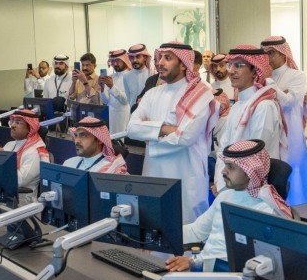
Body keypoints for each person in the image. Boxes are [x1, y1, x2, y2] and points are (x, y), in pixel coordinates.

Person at [166, 139, 292, 273]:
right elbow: (196, 231)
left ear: (250, 172)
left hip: (232, 277)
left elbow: (248, 260)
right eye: (225, 165)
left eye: (231, 167)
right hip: (205, 270)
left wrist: (195, 262)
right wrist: (160, 234)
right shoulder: (225, 196)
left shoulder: (266, 210)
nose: (223, 171)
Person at [127, 42, 213, 222]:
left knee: (186, 231)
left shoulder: (200, 94)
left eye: (168, 58)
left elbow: (185, 137)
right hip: (153, 173)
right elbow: (132, 128)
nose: (160, 63)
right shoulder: (152, 93)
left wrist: (150, 135)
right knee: (154, 227)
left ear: (183, 64)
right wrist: (165, 128)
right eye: (160, 58)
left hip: (185, 175)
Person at [212, 45, 283, 193]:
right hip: (230, 185)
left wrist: (224, 186)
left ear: (255, 71)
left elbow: (254, 156)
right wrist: (220, 182)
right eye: (230, 65)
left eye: (238, 65)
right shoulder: (237, 106)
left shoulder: (264, 106)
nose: (231, 71)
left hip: (253, 190)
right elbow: (224, 149)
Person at [262, 35, 307, 205]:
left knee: (294, 181)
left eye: (271, 53)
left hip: (292, 137)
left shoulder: (297, 76)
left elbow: (288, 103)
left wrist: (269, 82)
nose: (267, 58)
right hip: (269, 136)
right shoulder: (261, 78)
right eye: (264, 54)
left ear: (283, 54)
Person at [0, 109, 51, 199]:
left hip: (22, 202)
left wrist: (2, 160)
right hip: (2, 196)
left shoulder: (34, 152)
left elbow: (18, 181)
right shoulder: (9, 145)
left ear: (30, 128)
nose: (13, 125)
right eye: (12, 121)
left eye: (18, 122)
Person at [61, 117, 129, 174]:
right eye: (76, 135)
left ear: (99, 140)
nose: (76, 141)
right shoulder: (68, 164)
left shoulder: (113, 170)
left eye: (83, 135)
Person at [99, 49, 132, 133]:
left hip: (124, 115)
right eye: (113, 61)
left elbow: (125, 101)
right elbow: (105, 101)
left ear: (125, 60)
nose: (115, 64)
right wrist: (102, 87)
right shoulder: (111, 77)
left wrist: (112, 86)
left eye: (118, 61)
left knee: (122, 138)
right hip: (111, 115)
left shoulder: (130, 76)